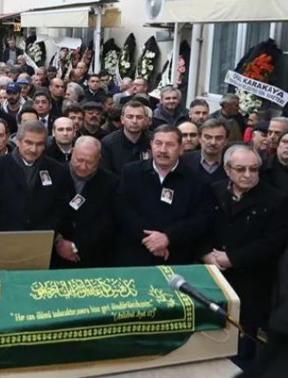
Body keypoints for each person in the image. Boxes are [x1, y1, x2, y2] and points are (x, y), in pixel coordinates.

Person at [199, 145, 287, 363]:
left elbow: (272, 243)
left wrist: (233, 259)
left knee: (243, 345)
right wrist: (205, 254)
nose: (248, 175)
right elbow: (200, 226)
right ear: (227, 169)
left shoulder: (276, 200)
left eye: (253, 169)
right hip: (214, 279)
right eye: (241, 169)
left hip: (252, 284)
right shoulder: (213, 191)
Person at [113, 126, 212, 266]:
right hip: (135, 254)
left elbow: (201, 218)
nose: (163, 150)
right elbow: (122, 209)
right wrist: (151, 240)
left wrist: (168, 237)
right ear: (151, 145)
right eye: (158, 143)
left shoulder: (197, 180)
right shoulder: (131, 172)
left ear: (181, 148)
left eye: (170, 145)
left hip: (176, 256)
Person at [0, 120, 72, 233]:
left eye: (39, 144)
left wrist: (43, 232)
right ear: (18, 141)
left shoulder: (56, 169)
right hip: (5, 238)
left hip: (42, 239)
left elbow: (59, 206)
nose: (33, 149)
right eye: (29, 143)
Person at [53, 136, 119, 269]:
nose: (83, 166)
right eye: (79, 160)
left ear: (99, 159)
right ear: (72, 152)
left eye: (90, 162)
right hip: (55, 255)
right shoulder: (54, 174)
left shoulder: (111, 183)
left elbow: (109, 221)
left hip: (93, 256)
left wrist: (76, 246)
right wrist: (57, 241)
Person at [99, 100, 151, 174]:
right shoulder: (108, 143)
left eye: (139, 117)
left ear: (145, 120)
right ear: (122, 120)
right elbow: (106, 174)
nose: (134, 121)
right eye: (130, 117)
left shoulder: (153, 141)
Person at [180, 119, 229, 184]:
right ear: (199, 139)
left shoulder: (232, 164)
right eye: (208, 137)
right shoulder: (183, 161)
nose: (213, 142)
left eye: (218, 138)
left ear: (226, 141)